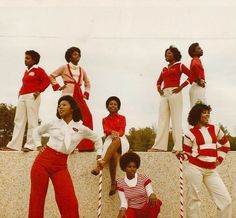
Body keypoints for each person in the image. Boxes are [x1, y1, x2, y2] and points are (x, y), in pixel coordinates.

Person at [28, 95, 102, 218]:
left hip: (61, 166)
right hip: (42, 162)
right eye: (59, 105)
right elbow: (36, 131)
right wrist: (38, 146)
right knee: (37, 198)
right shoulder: (53, 123)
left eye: (64, 105)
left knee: (69, 200)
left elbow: (97, 138)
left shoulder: (81, 127)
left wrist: (99, 155)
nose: (60, 107)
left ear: (72, 108)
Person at [177, 103, 232, 218]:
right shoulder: (189, 134)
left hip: (211, 170)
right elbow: (187, 153)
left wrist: (220, 159)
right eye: (204, 112)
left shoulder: (215, 129)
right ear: (197, 115)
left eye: (208, 112)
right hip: (194, 169)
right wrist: (182, 155)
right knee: (194, 200)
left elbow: (226, 145)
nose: (207, 115)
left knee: (225, 200)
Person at [3, 50, 50, 152]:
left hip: (32, 96)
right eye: (25, 58)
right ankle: (14, 145)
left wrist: (39, 91)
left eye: (28, 58)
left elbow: (47, 81)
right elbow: (24, 84)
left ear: (34, 60)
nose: (25, 60)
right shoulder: (26, 71)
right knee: (18, 120)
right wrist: (20, 93)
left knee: (32, 121)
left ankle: (30, 145)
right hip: (23, 97)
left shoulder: (39, 70)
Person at [49, 46, 94, 151]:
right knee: (67, 119)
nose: (77, 56)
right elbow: (51, 76)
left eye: (78, 54)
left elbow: (87, 83)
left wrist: (85, 93)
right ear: (69, 57)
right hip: (68, 95)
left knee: (87, 116)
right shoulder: (64, 67)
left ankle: (86, 146)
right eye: (74, 54)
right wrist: (57, 86)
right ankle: (67, 145)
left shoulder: (82, 70)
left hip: (79, 95)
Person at [149, 46, 191, 152]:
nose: (167, 55)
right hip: (165, 94)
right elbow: (159, 81)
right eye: (166, 53)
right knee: (162, 119)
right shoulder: (164, 69)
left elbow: (192, 75)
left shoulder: (180, 65)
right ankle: (159, 146)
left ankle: (178, 147)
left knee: (176, 119)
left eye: (169, 53)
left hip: (175, 92)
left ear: (175, 55)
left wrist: (181, 86)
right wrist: (159, 89)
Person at [91, 96, 129, 195]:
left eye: (115, 104)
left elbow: (122, 129)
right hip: (109, 139)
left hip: (121, 139)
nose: (113, 105)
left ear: (118, 107)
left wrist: (117, 134)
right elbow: (105, 130)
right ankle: (113, 182)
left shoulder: (122, 118)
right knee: (114, 156)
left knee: (116, 140)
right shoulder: (104, 119)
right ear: (107, 106)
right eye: (111, 104)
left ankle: (101, 164)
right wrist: (112, 132)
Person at [116, 152, 162, 218]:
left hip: (144, 208)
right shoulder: (120, 183)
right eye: (129, 167)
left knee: (156, 202)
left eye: (134, 167)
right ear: (124, 168)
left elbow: (150, 192)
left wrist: (152, 195)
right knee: (123, 215)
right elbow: (124, 202)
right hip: (132, 210)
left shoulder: (143, 178)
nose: (132, 169)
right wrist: (122, 210)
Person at [188, 42, 207, 108]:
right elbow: (195, 66)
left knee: (196, 110)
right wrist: (199, 79)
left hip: (195, 87)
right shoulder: (196, 59)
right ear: (194, 53)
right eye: (199, 48)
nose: (201, 49)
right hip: (197, 86)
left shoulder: (194, 60)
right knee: (201, 109)